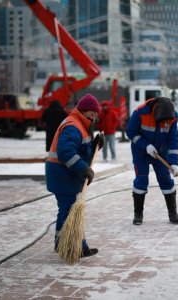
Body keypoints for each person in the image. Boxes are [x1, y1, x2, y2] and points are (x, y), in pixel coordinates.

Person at [45, 94, 104, 258]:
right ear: (84, 112)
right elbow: (66, 152)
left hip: (64, 175)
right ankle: (77, 246)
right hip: (62, 175)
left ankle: (61, 244)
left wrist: (94, 145)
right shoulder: (73, 125)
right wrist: (83, 169)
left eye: (96, 115)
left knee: (65, 210)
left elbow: (81, 150)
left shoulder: (80, 125)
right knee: (71, 212)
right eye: (92, 114)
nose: (94, 118)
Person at [126, 97, 178, 225]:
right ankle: (138, 214)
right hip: (141, 152)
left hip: (161, 152)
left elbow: (173, 141)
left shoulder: (172, 118)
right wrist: (145, 145)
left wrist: (173, 163)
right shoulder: (140, 113)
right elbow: (130, 132)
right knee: (141, 180)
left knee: (166, 180)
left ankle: (173, 213)